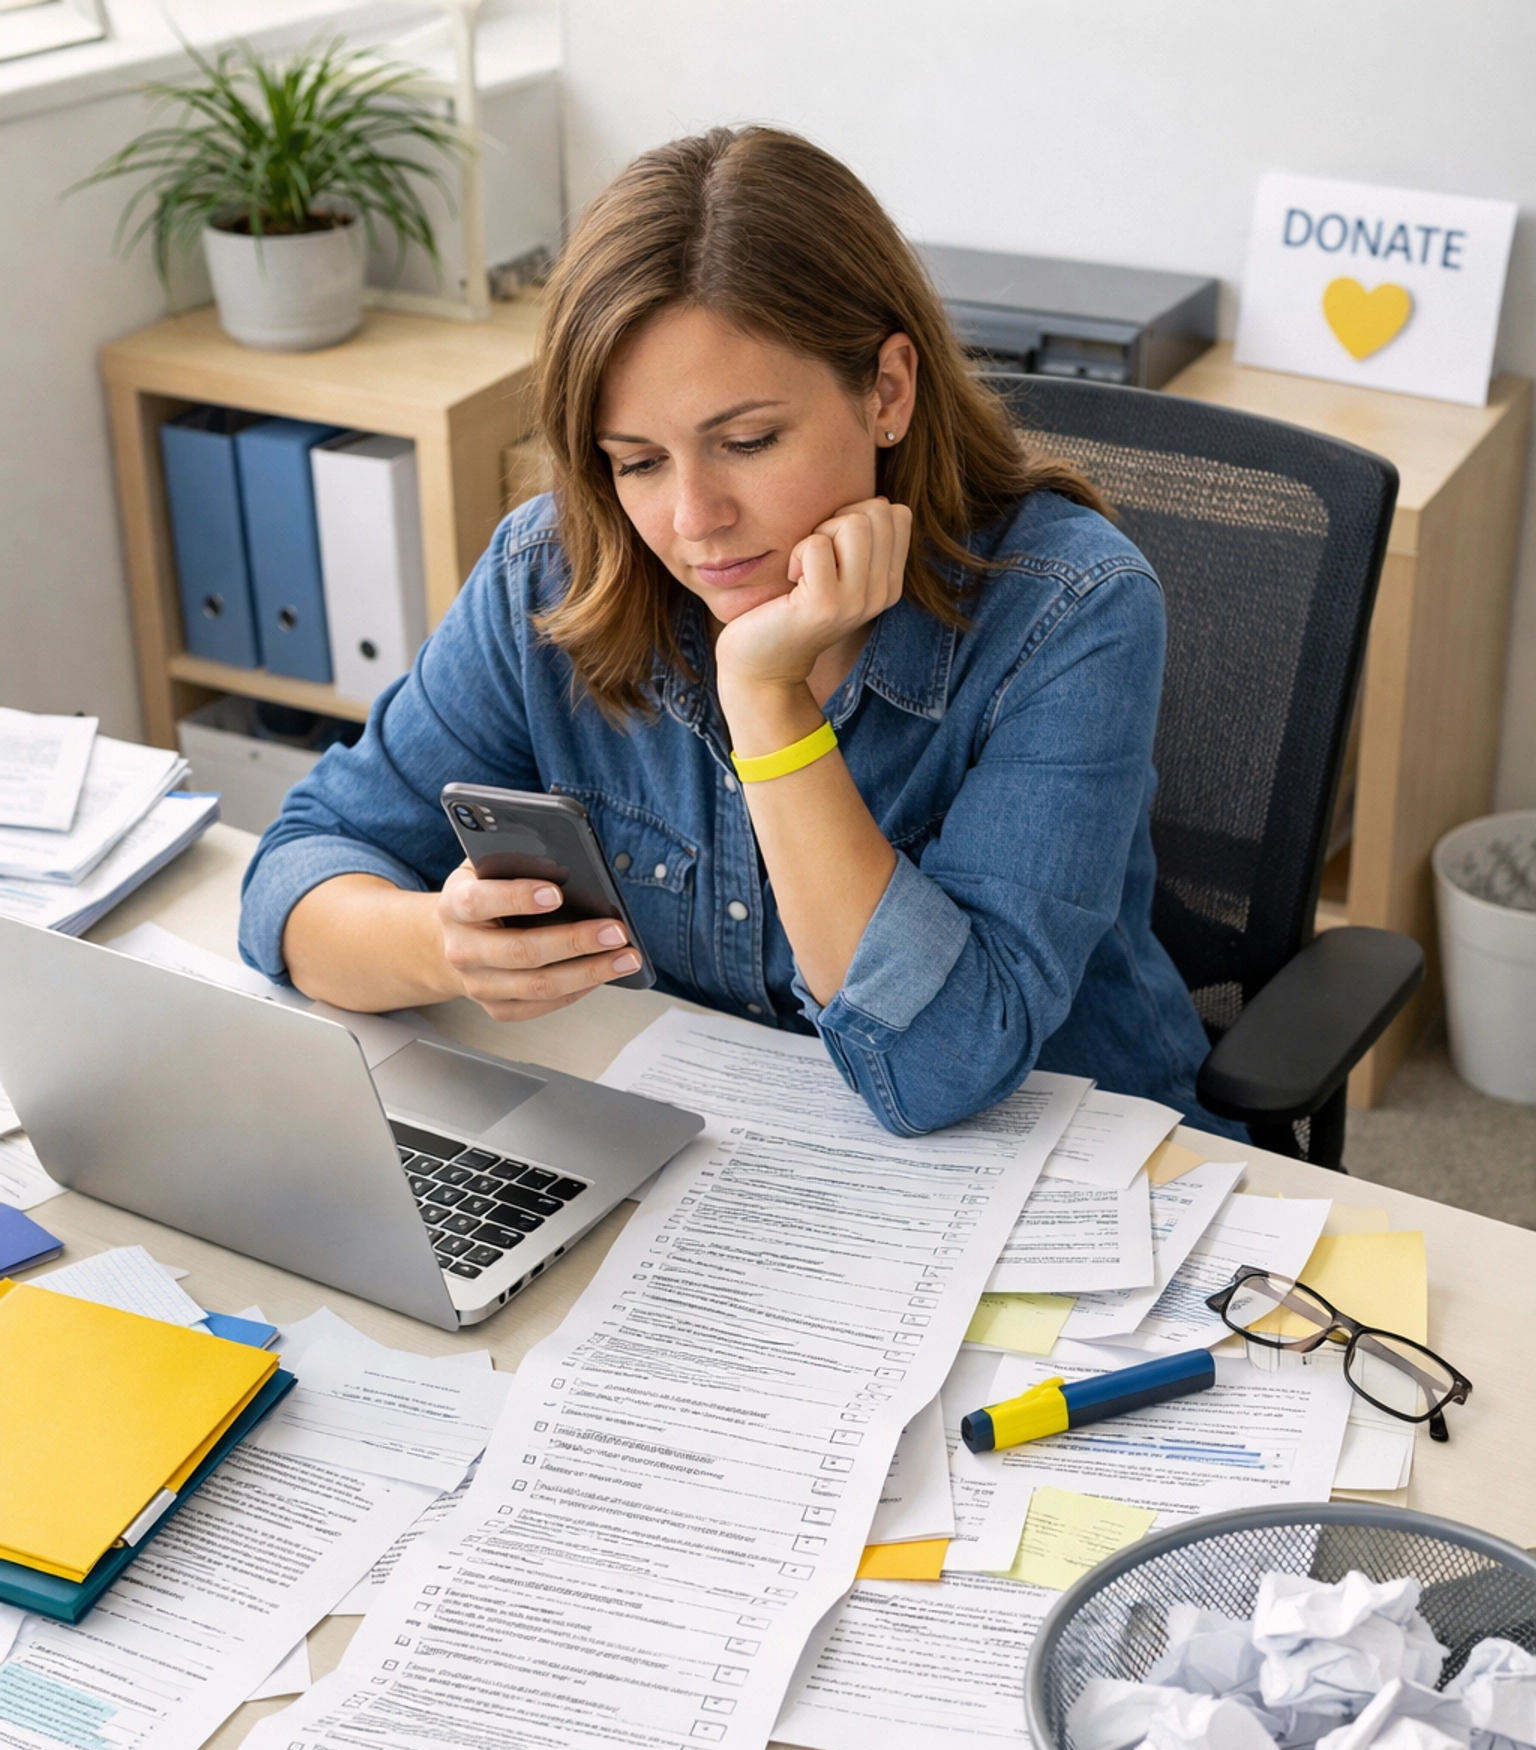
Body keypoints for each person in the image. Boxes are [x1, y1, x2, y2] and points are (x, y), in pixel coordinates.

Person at [240, 125, 1241, 1140]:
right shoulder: (551, 568)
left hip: (1064, 1171)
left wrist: (767, 697)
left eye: (748, 442)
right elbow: (295, 876)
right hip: (733, 1163)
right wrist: (441, 945)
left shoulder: (1071, 608)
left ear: (887, 391)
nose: (692, 519)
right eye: (637, 461)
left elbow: (943, 1070)